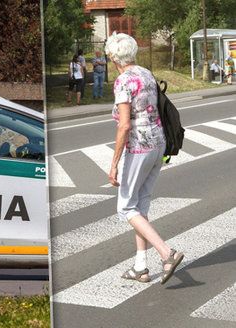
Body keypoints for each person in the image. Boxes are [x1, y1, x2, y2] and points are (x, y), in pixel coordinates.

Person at [105, 32, 184, 284]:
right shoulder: (146, 73)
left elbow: (125, 125)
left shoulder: (123, 81)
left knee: (126, 207)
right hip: (158, 144)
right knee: (141, 205)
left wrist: (114, 163)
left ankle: (166, 253)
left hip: (138, 148)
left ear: (112, 57)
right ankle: (141, 267)